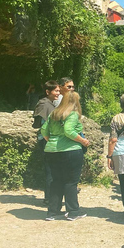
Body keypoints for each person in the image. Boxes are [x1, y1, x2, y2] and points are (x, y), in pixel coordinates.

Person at [40, 90, 90, 221]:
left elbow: (43, 130)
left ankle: (53, 212)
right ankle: (73, 211)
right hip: (70, 151)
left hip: (51, 151)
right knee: (71, 181)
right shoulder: (73, 114)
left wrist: (51, 140)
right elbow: (68, 131)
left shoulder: (53, 114)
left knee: (56, 181)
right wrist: (83, 141)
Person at [32, 80, 60, 204]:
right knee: (50, 169)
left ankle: (52, 197)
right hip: (46, 141)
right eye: (56, 91)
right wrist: (50, 141)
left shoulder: (51, 104)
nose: (58, 93)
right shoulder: (44, 104)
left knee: (54, 169)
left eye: (59, 90)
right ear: (47, 91)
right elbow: (44, 127)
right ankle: (49, 198)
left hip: (51, 140)